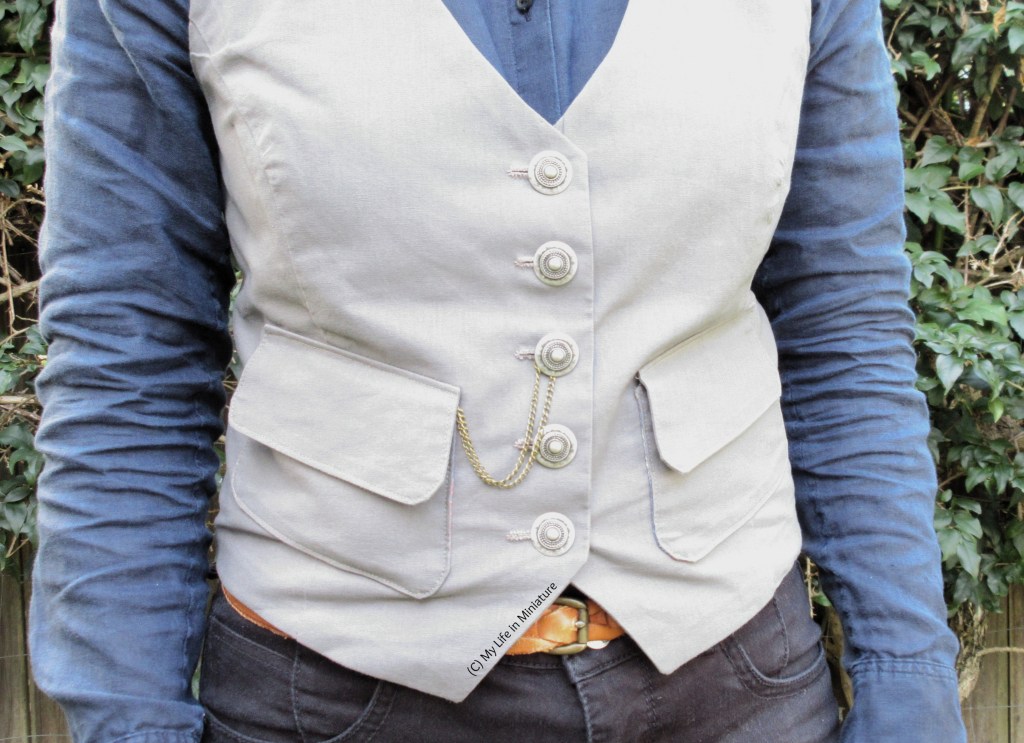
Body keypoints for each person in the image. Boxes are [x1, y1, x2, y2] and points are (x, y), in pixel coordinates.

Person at [30, 0, 968, 741]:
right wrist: (131, 722)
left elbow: (844, 324)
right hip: (329, 693)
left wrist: (907, 684)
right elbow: (127, 358)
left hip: (736, 691)